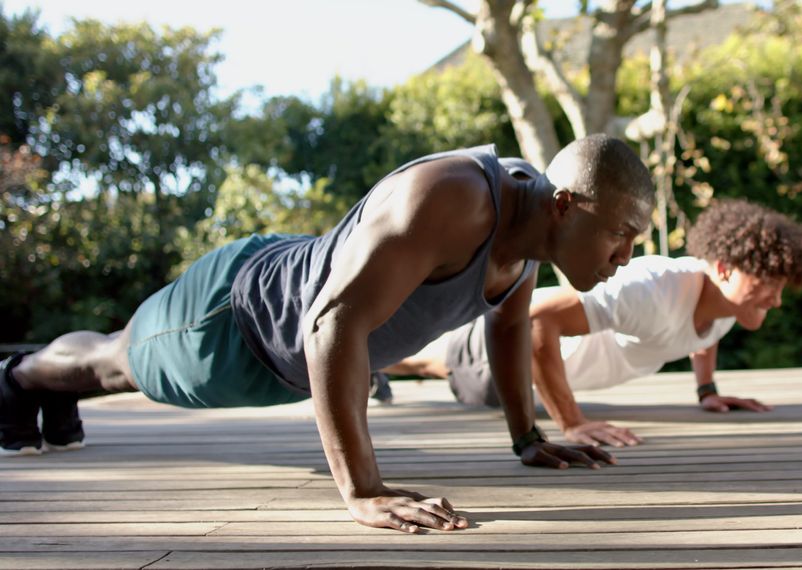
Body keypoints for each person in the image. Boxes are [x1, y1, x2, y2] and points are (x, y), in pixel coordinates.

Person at [0, 134, 656, 533]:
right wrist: (363, 491)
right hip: (236, 324)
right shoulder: (456, 198)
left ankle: (53, 393)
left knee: (113, 364)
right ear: (567, 204)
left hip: (292, 357)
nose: (625, 256)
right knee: (117, 362)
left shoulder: (531, 234)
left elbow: (510, 328)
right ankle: (20, 378)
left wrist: (526, 439)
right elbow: (330, 322)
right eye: (622, 235)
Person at [384, 198, 802, 448]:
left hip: (547, 371)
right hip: (505, 349)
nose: (775, 300)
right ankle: (370, 362)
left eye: (783, 286)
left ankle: (375, 365)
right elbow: (537, 321)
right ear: (723, 268)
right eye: (767, 284)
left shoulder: (728, 305)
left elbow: (704, 335)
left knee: (419, 360)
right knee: (422, 362)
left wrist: (707, 391)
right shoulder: (650, 290)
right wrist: (572, 424)